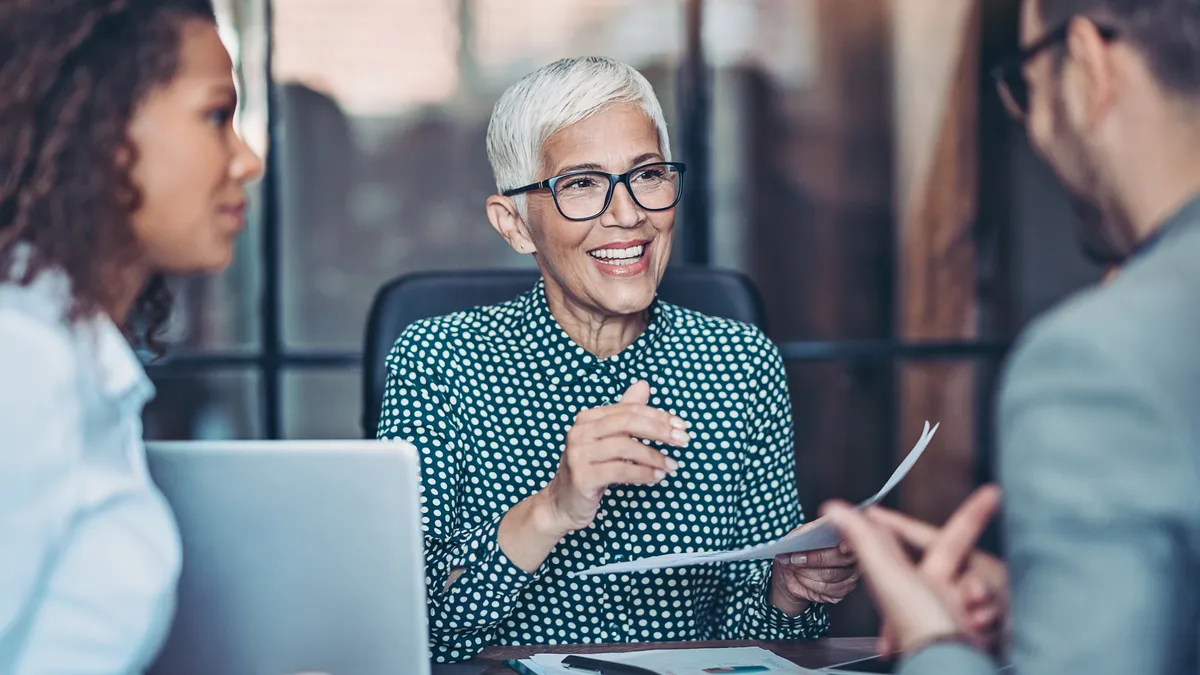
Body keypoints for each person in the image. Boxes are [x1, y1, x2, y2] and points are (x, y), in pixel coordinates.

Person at [377, 56, 859, 663]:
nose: (628, 214)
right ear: (516, 225)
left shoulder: (741, 362)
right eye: (581, 184)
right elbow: (413, 630)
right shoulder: (439, 361)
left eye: (648, 175)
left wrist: (787, 594)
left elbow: (759, 639)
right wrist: (551, 509)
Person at [822, 0, 1200, 673]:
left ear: (1087, 65)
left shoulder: (1098, 360)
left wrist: (933, 648)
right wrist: (1057, 598)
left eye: (1026, 81)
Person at [0, 1, 263, 672]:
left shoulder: (76, 351)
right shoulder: (22, 360)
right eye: (215, 116)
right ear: (100, 126)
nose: (248, 159)